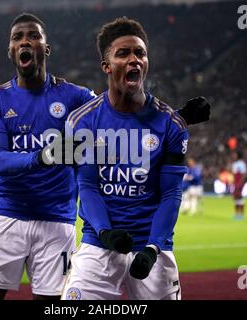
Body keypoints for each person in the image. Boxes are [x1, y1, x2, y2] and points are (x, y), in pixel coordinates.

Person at [0, 13, 210, 300]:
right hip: (9, 213)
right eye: (17, 37)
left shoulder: (76, 97)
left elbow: (118, 113)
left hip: (58, 221)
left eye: (33, 36)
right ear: (9, 50)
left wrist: (176, 119)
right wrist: (43, 156)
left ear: (46, 48)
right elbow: (0, 162)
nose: (25, 42)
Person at [61, 17, 210, 300]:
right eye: (123, 54)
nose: (134, 60)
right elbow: (88, 186)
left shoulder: (171, 124)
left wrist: (153, 248)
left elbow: (170, 194)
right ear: (106, 66)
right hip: (98, 245)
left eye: (140, 53)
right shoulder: (82, 121)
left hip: (152, 249)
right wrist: (106, 233)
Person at [231, 151, 247, 220]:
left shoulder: (241, 164)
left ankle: (242, 215)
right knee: (236, 197)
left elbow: (243, 174)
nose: (234, 156)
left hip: (239, 182)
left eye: (235, 154)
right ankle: (237, 214)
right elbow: (234, 175)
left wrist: (240, 183)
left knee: (239, 197)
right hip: (236, 182)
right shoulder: (235, 164)